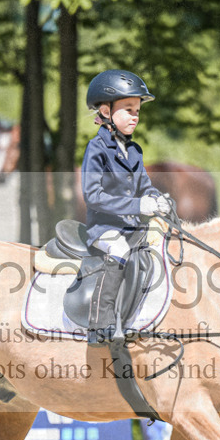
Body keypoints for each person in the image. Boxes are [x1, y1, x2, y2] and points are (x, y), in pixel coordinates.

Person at [81, 69, 171, 346]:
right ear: (106, 111)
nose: (135, 116)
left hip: (133, 227)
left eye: (138, 111)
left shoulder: (134, 151)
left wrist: (158, 199)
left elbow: (144, 188)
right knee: (119, 251)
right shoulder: (96, 149)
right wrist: (137, 204)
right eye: (129, 109)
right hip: (105, 228)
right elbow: (92, 195)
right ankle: (100, 324)